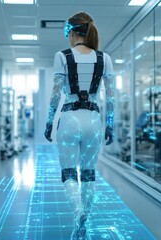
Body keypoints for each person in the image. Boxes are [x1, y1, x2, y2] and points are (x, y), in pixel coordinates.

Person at [44, 12, 115, 240]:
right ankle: (83, 224)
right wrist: (110, 125)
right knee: (88, 174)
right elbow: (111, 98)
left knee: (68, 174)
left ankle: (79, 213)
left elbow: (56, 94)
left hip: (69, 119)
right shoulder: (105, 58)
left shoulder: (61, 56)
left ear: (72, 32)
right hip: (94, 120)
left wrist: (49, 121)